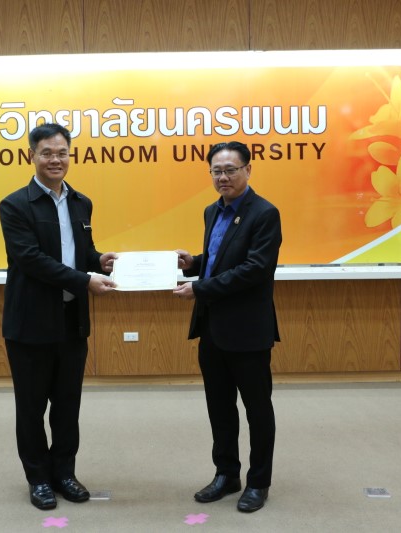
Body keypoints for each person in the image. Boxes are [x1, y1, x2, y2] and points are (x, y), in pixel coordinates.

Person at [0, 122, 116, 511]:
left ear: (70, 155)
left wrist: (99, 261)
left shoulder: (82, 202)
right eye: (47, 152)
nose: (55, 159)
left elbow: (81, 252)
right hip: (30, 323)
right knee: (31, 408)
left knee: (67, 406)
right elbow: (31, 260)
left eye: (62, 152)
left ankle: (65, 474)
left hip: (71, 321)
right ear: (31, 155)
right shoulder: (15, 205)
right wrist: (85, 280)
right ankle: (38, 479)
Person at [174, 141, 282, 513]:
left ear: (248, 170)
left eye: (231, 170)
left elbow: (254, 269)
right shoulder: (212, 211)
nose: (223, 177)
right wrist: (193, 263)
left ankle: (258, 482)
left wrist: (200, 288)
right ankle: (226, 474)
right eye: (216, 171)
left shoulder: (264, 213)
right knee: (219, 407)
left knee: (257, 409)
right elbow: (220, 259)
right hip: (212, 328)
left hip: (248, 330)